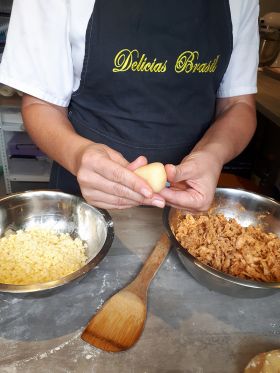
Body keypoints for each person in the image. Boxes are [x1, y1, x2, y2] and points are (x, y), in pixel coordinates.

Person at [0, 0, 259, 211]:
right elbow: (40, 103)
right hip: (86, 198)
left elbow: (237, 104)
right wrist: (79, 156)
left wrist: (213, 154)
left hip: (189, 200)